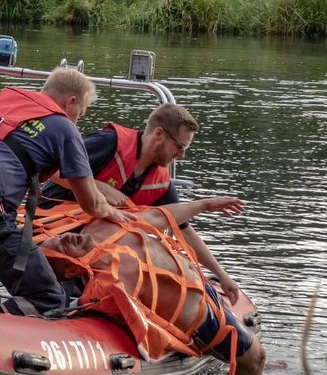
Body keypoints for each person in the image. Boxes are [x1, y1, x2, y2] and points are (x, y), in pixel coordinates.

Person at [0, 67, 133, 315]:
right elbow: (91, 204)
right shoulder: (64, 127)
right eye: (80, 114)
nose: (77, 120)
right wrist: (113, 212)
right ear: (71, 102)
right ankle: (3, 329)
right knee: (48, 297)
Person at [39, 103, 243, 305]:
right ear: (159, 134)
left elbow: (183, 230)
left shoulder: (161, 184)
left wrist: (222, 275)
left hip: (93, 246)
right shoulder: (108, 143)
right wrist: (98, 187)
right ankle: (53, 302)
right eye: (180, 147)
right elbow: (50, 166)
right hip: (51, 229)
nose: (181, 155)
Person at [40, 204, 265, 375]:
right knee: (256, 360)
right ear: (71, 270)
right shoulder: (107, 284)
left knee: (255, 355)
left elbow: (159, 216)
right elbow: (96, 309)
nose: (66, 238)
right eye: (62, 247)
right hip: (202, 319)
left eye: (59, 237)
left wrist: (205, 205)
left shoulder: (102, 224)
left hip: (203, 287)